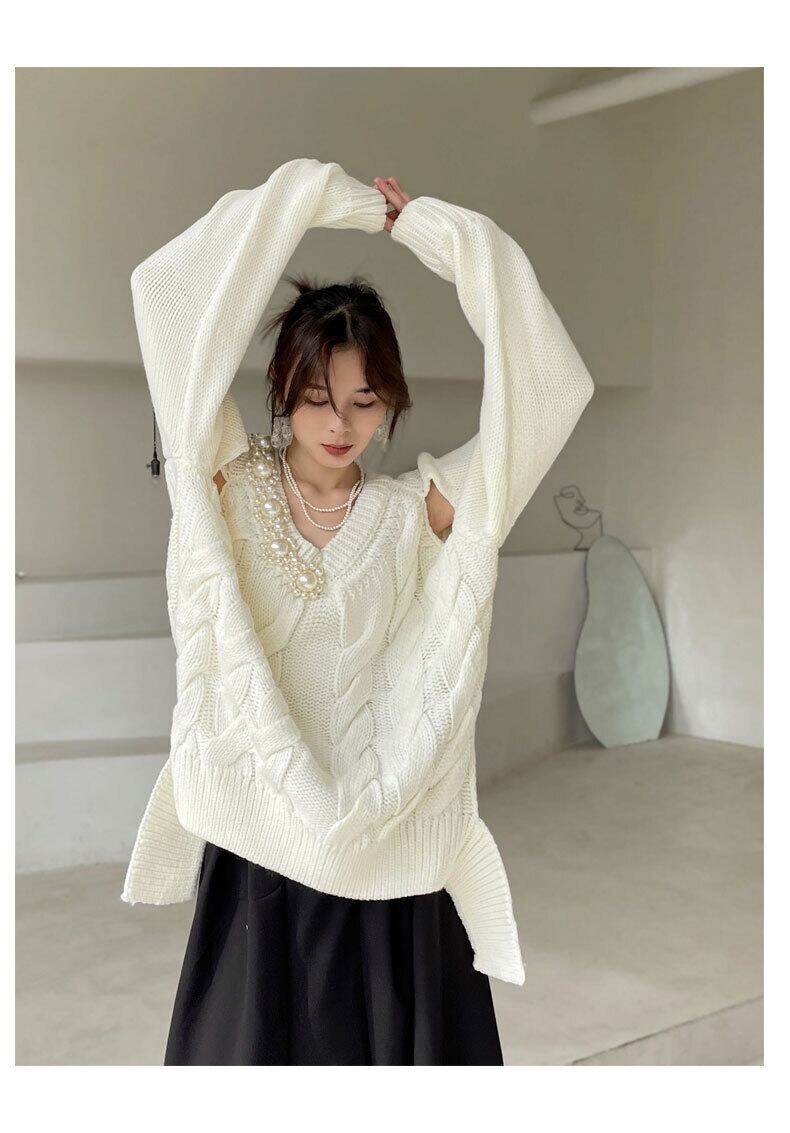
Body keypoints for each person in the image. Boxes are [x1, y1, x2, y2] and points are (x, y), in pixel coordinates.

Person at [121, 160, 595, 1066]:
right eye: (315, 399)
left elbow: (550, 388)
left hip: (386, 859)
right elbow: (166, 294)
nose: (338, 423)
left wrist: (430, 232)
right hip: (261, 846)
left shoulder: (416, 514)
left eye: (363, 401)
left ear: (391, 403)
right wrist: (329, 201)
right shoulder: (226, 482)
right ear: (282, 391)